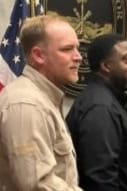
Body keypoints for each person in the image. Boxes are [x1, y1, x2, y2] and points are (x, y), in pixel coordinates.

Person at [0, 15, 82, 190]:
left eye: (77, 48)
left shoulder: (44, 98)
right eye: (67, 49)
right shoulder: (26, 104)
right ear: (38, 55)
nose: (78, 57)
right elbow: (37, 184)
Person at [66, 33, 127, 191]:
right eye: (126, 59)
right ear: (106, 66)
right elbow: (100, 178)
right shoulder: (100, 108)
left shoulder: (108, 100)